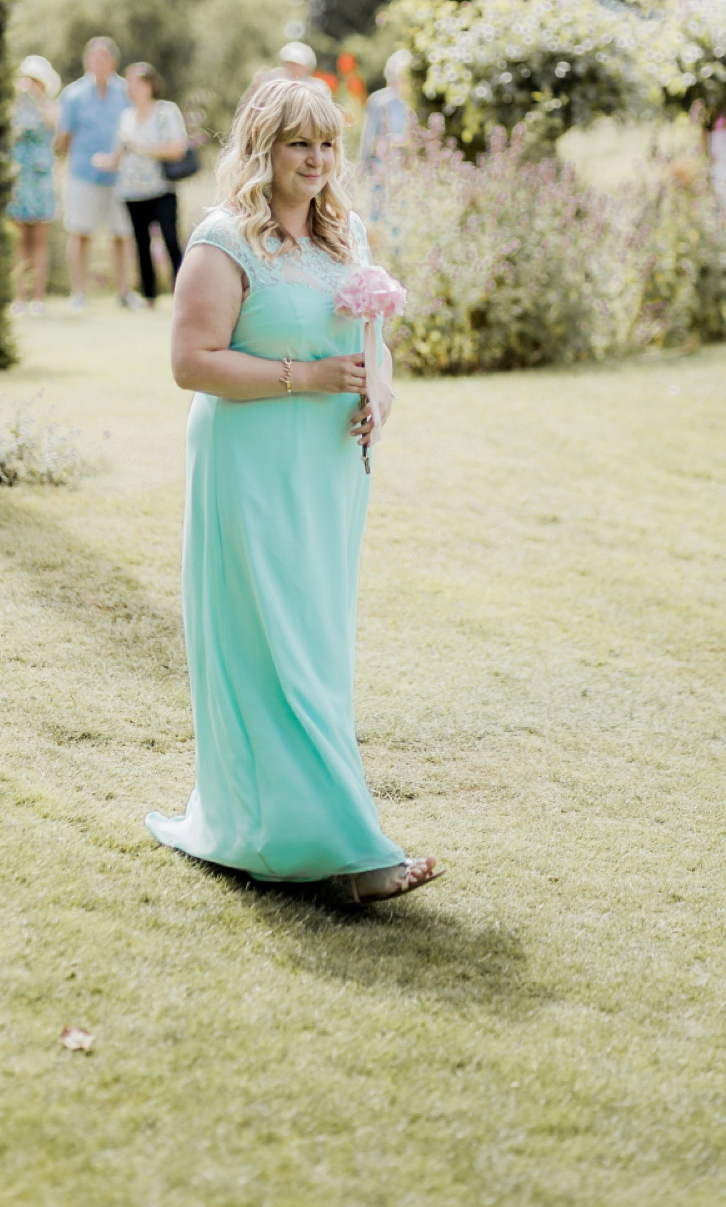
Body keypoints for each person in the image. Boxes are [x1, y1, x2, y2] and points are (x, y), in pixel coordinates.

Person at [146, 76, 440, 903]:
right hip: (251, 468)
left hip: (328, 477)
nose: (314, 161)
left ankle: (287, 834)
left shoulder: (347, 237)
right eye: (297, 144)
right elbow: (190, 363)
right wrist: (309, 376)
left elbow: (373, 350)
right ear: (263, 149)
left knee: (313, 646)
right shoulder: (223, 240)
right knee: (269, 644)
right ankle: (349, 848)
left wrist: (377, 396)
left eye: (326, 145)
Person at [92, 62, 188, 306]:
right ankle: (149, 297)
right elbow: (119, 153)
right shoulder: (125, 117)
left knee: (170, 240)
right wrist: (104, 161)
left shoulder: (166, 112)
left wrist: (143, 148)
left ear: (150, 85)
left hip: (161, 188)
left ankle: (184, 293)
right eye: (129, 83)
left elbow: (178, 148)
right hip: (131, 191)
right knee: (141, 244)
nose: (132, 88)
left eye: (137, 82)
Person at [56, 37, 135, 310]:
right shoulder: (73, 95)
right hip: (82, 174)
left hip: (120, 176)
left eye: (102, 58)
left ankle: (124, 291)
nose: (97, 63)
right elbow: (64, 137)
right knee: (80, 233)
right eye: (92, 58)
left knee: (122, 235)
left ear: (113, 62)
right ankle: (78, 293)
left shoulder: (126, 92)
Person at [8, 54, 60, 315]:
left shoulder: (49, 105)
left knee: (39, 240)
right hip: (19, 177)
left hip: (41, 177)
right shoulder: (13, 106)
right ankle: (20, 296)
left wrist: (37, 97)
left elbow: (56, 126)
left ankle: (38, 298)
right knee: (18, 240)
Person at [359, 49, 416, 171]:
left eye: (406, 77)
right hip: (382, 169)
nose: (403, 81)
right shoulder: (378, 100)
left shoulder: (418, 102)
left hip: (410, 171)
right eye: (399, 77)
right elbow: (368, 139)